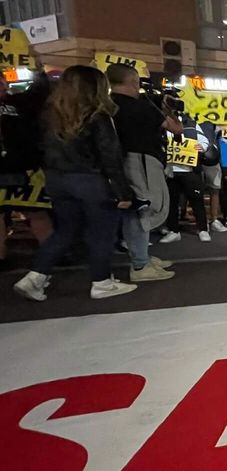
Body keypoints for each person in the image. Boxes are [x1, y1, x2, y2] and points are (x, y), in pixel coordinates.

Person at [14, 66, 138, 301]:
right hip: (90, 180)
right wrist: (123, 192)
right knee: (101, 233)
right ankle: (101, 282)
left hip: (57, 179)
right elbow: (110, 157)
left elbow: (38, 148)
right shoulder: (99, 115)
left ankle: (35, 276)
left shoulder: (49, 115)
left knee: (64, 231)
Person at [106, 63, 178, 283]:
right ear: (134, 82)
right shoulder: (139, 106)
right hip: (142, 161)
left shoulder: (108, 106)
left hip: (122, 161)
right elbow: (176, 128)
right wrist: (165, 107)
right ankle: (140, 265)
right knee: (143, 209)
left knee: (133, 210)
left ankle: (141, 256)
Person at [0, 66, 52, 267]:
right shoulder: (17, 103)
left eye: (3, 80)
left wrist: (38, 70)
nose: (3, 85)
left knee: (36, 212)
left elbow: (39, 92)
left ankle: (51, 254)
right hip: (22, 168)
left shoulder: (18, 102)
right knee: (34, 213)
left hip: (24, 169)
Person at [161, 118, 211, 243]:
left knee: (196, 200)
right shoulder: (161, 123)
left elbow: (204, 141)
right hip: (170, 170)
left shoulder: (191, 124)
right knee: (172, 201)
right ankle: (173, 230)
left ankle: (203, 229)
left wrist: (202, 147)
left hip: (190, 169)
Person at [197, 121, 227, 232]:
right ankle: (201, 221)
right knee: (196, 192)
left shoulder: (213, 118)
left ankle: (214, 219)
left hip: (211, 157)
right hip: (194, 155)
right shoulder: (189, 118)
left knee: (215, 189)